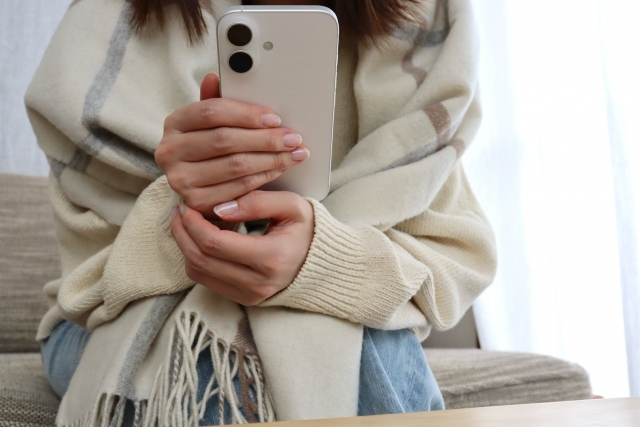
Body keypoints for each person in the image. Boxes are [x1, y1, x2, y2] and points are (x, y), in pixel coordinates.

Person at [27, 0, 496, 425]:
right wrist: (184, 213)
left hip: (355, 316)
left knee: (333, 323)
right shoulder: (114, 16)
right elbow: (95, 273)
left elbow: (451, 253)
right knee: (230, 354)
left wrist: (323, 263)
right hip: (111, 314)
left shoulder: (421, 24)